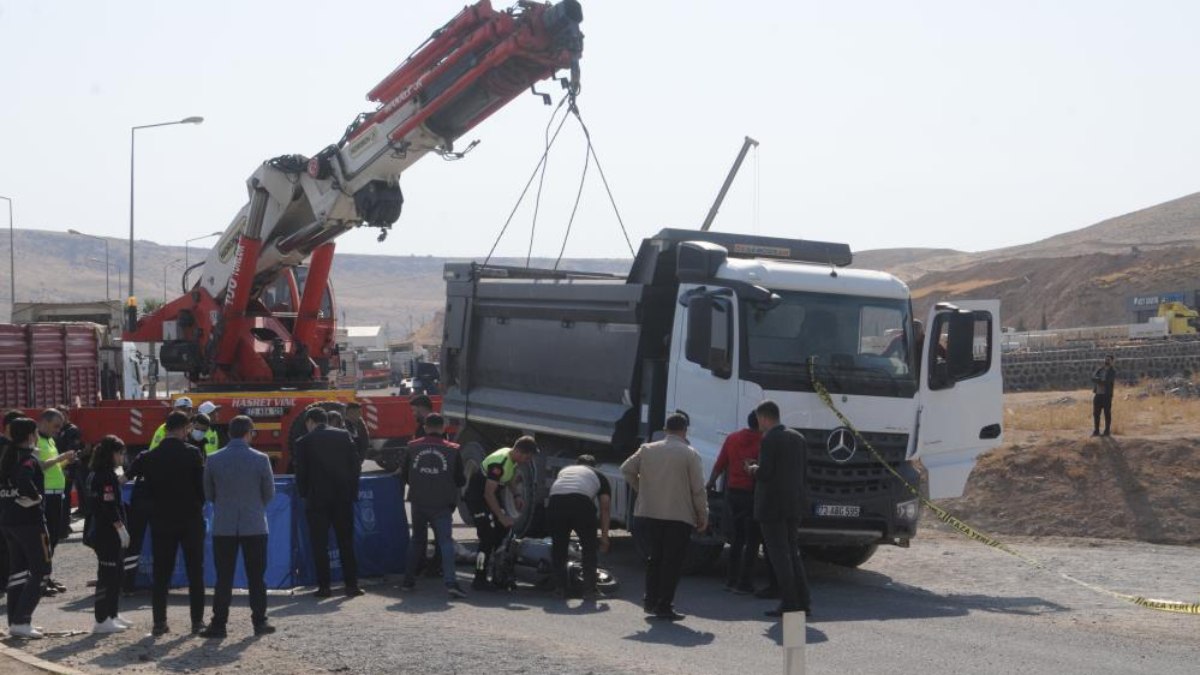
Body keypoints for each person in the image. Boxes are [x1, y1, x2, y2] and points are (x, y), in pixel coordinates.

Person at [620, 413, 707, 622]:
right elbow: (698, 489)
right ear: (685, 431)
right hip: (679, 516)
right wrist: (702, 514)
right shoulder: (690, 454)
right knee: (672, 562)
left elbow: (626, 470)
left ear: (665, 430)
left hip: (649, 513)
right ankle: (664, 605)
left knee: (655, 558)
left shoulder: (647, 449)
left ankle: (650, 600)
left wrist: (642, 489)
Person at [201, 416, 276, 638]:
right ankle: (260, 621)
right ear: (249, 433)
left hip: (224, 525)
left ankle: (219, 623)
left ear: (229, 433)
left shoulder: (213, 459)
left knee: (223, 577)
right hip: (255, 525)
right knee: (256, 577)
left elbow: (209, 493)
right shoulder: (261, 459)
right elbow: (269, 492)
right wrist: (254, 506)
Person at [139, 410, 207, 635]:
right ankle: (197, 621)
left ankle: (159, 622)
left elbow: (145, 490)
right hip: (190, 519)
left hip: (161, 520)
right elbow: (201, 489)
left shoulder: (150, 457)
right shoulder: (192, 454)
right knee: (195, 571)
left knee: (161, 573)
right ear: (184, 428)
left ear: (166, 429)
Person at [747, 400, 812, 619]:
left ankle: (790, 602)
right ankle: (804, 601)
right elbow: (803, 472)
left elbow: (765, 473)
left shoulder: (769, 439)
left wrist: (753, 469)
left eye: (759, 420)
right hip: (794, 503)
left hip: (771, 505)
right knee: (793, 552)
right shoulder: (798, 438)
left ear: (764, 418)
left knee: (779, 555)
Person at [293, 407, 363, 599]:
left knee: (320, 545)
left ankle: (324, 587)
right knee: (346, 542)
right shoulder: (343, 436)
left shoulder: (303, 442)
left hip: (317, 500)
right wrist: (352, 492)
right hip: (342, 498)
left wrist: (304, 494)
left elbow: (301, 473)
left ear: (310, 422)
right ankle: (352, 585)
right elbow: (355, 466)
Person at [398, 413, 467, 598]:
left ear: (425, 427)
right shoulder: (453, 449)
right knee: (445, 542)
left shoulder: (412, 447)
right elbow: (460, 480)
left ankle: (407, 581)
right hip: (442, 503)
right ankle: (451, 582)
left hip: (418, 501)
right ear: (443, 428)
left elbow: (404, 475)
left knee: (417, 541)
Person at [463, 436, 538, 590]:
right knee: (487, 538)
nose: (528, 461)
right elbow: (488, 493)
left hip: (490, 496)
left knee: (503, 532)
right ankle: (479, 579)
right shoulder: (499, 462)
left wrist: (516, 495)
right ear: (519, 451)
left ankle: (499, 575)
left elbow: (509, 477)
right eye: (527, 457)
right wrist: (501, 516)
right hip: (478, 499)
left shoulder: (512, 458)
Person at [0, 417, 52, 638]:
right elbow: (24, 480)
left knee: (19, 571)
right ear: (31, 436)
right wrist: (36, 496)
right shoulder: (28, 459)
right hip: (30, 523)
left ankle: (15, 621)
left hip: (8, 521)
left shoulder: (7, 457)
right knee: (42, 570)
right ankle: (22, 620)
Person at [706, 411, 764, 593]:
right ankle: (745, 582)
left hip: (734, 492)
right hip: (753, 493)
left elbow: (720, 463)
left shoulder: (732, 438)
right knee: (753, 539)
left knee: (737, 538)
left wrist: (711, 482)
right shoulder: (764, 441)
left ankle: (731, 580)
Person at [85, 435, 131, 634]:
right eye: (120, 453)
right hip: (106, 532)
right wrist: (120, 528)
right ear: (111, 454)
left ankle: (112, 614)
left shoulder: (101, 473)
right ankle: (102, 619)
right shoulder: (105, 476)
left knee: (117, 574)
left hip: (108, 531)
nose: (122, 457)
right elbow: (109, 506)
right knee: (107, 576)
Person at [548, 455, 611, 601]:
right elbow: (605, 508)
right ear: (594, 466)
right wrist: (604, 538)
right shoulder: (599, 475)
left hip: (555, 504)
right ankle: (589, 590)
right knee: (589, 547)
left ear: (576, 464)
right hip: (581, 504)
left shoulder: (565, 471)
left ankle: (559, 589)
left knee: (559, 547)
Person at [36, 409, 74, 596]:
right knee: (46, 540)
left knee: (54, 538)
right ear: (44, 422)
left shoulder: (50, 440)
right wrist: (61, 457)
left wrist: (66, 461)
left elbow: (54, 466)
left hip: (57, 495)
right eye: (56, 426)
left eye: (60, 427)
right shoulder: (36, 440)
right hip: (47, 495)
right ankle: (40, 579)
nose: (58, 430)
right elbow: (40, 466)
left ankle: (46, 576)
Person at [55, 406, 85, 524]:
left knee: (65, 495)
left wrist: (65, 466)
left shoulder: (71, 430)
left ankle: (65, 523)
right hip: (58, 466)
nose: (60, 418)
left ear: (68, 415)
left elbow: (72, 451)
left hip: (68, 467)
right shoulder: (58, 430)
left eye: (62, 415)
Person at [1092, 355, 1117, 437]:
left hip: (1107, 395)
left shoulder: (1112, 371)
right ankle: (1096, 431)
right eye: (1105, 359)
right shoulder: (1100, 369)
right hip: (1098, 394)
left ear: (1112, 361)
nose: (1106, 361)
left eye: (1108, 360)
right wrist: (1100, 380)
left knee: (1107, 413)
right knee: (1096, 413)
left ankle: (1107, 431)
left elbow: (1107, 382)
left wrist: (1098, 380)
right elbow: (1093, 378)